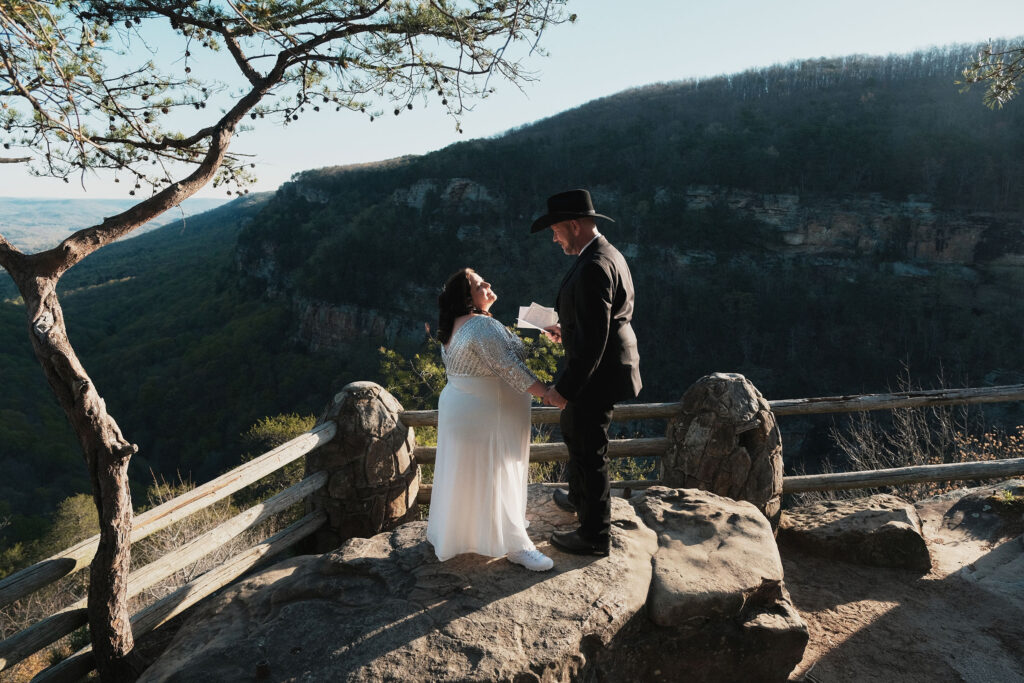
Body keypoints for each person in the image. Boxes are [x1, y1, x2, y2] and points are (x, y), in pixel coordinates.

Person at [530, 189, 642, 556]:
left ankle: (595, 535)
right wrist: (568, 328)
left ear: (574, 225)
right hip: (605, 366)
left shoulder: (594, 265)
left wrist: (563, 388)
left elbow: (595, 340)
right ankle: (579, 498)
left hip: (599, 372)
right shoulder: (605, 254)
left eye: (556, 230)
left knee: (590, 448)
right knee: (576, 434)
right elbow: (598, 322)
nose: (554, 237)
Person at [425, 267, 555, 572]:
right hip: (487, 411)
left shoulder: (456, 326)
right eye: (478, 283)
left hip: (464, 407)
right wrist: (548, 394)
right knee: (499, 468)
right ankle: (516, 545)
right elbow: (510, 368)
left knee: (472, 472)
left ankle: (468, 533)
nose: (488, 284)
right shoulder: (481, 326)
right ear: (466, 296)